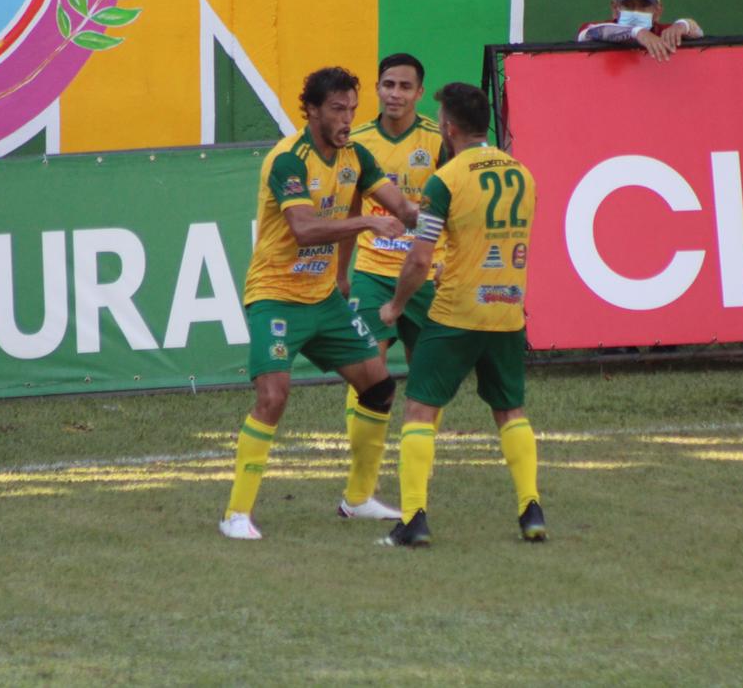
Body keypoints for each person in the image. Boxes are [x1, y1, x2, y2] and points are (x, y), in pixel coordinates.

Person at [221, 66, 419, 540]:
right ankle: (236, 514)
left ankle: (357, 499)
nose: (347, 118)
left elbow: (405, 209)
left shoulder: (355, 156)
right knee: (273, 397)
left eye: (352, 108)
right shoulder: (289, 160)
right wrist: (365, 225)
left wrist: (442, 211)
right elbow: (304, 229)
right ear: (310, 110)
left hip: (323, 299)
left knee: (378, 388)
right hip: (276, 297)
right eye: (336, 109)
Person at [378, 82, 545, 547]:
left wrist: (394, 305)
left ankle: (413, 518)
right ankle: (530, 508)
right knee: (509, 409)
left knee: (420, 409)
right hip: (508, 310)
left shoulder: (446, 179)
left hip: (456, 311)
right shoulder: (523, 174)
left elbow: (418, 257)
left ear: (448, 127)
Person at [333, 53, 448, 520]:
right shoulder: (357, 142)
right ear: (377, 89)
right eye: (387, 85)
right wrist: (342, 273)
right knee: (368, 372)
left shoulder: (440, 141)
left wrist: (452, 265)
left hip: (429, 273)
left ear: (420, 93)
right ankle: (360, 485)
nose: (395, 94)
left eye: (405, 86)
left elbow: (459, 210)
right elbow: (346, 213)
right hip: (374, 270)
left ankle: (414, 478)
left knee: (429, 380)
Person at [577, 0, 704, 62]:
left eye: (644, 6)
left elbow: (698, 32)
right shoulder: (605, 28)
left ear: (657, 12)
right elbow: (585, 33)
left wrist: (683, 25)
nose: (636, 11)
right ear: (615, 9)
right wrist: (637, 32)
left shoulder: (662, 33)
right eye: (628, 6)